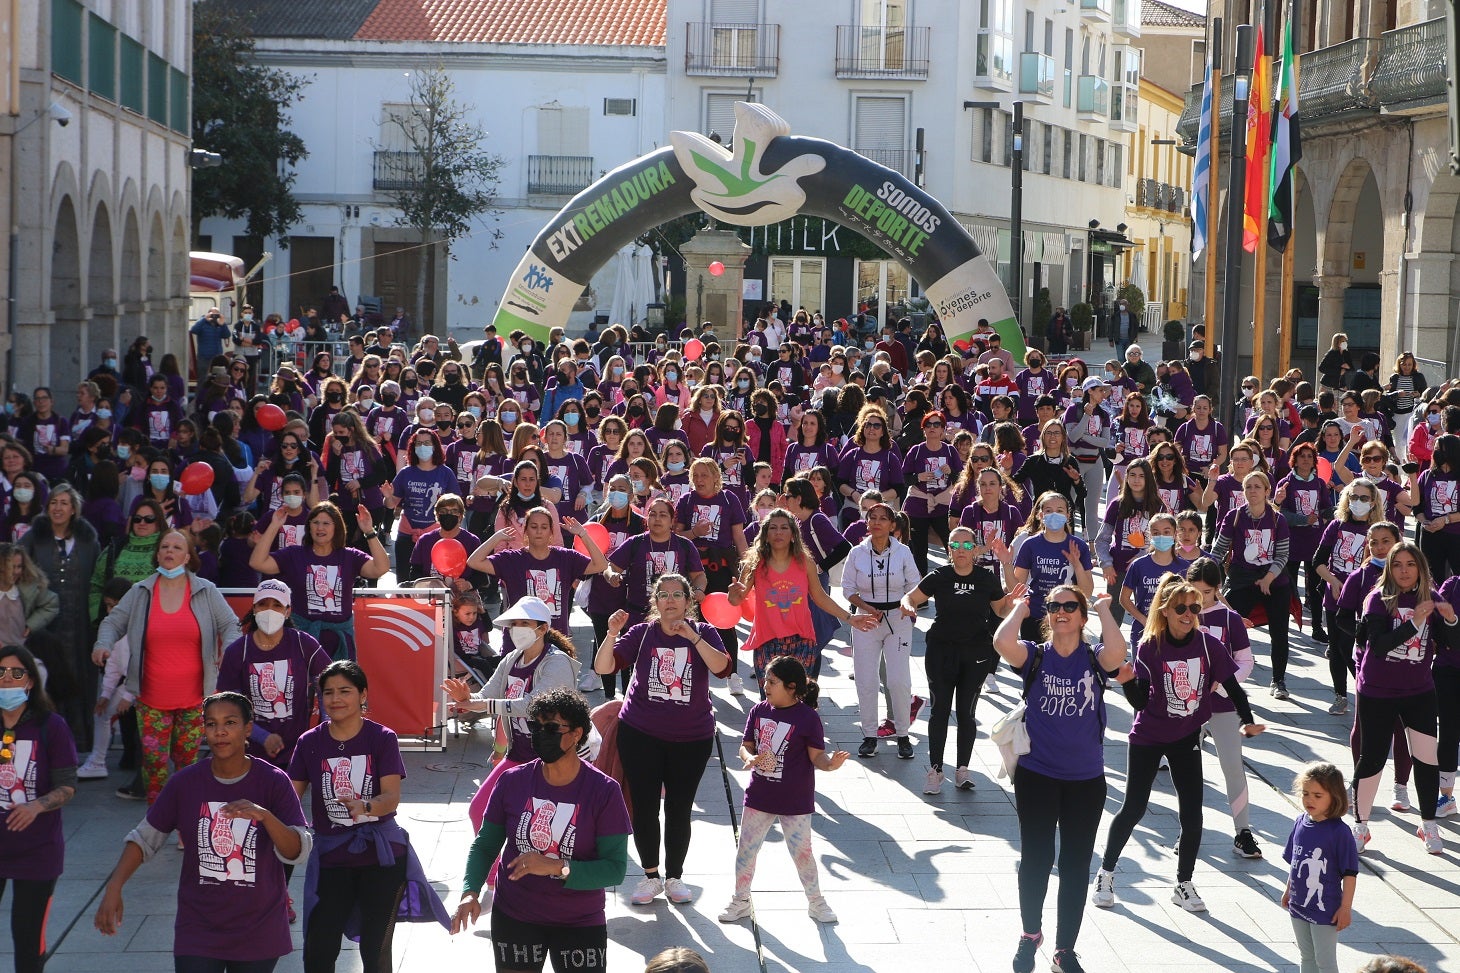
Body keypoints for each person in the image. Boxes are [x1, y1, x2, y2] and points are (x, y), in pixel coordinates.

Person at [94, 691, 310, 973]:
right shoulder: (184, 783)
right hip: (198, 927)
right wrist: (114, 887)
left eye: (229, 722)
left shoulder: (274, 781)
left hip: (259, 927)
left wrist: (266, 817)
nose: (219, 731)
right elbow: (144, 838)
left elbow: (297, 849)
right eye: (211, 724)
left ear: (247, 728)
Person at [1092, 576, 1263, 913]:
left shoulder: (1207, 644)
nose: (1189, 613)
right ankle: (1106, 873)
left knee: (1192, 814)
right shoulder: (1149, 646)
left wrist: (1246, 719)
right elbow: (1141, 701)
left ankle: (1184, 883)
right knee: (1134, 808)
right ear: (1166, 611)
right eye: (1181, 608)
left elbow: (1233, 685)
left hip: (1186, 736)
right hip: (1148, 737)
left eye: (1194, 607)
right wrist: (1126, 683)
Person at [993, 588, 1126, 973]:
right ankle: (1030, 934)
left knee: (1074, 864)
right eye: (1055, 607)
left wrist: (1103, 607)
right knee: (1035, 859)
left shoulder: (1094, 657)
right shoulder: (1035, 655)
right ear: (1047, 615)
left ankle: (1064, 949)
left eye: (1071, 606)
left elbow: (1117, 652)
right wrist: (1019, 607)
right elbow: (1002, 641)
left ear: (1082, 617)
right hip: (1038, 775)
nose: (1062, 612)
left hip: (1086, 780)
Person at [451, 688, 630, 970]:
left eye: (551, 727)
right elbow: (485, 845)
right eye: (536, 726)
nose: (540, 734)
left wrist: (556, 867)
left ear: (575, 734)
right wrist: (470, 891)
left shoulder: (604, 791)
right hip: (515, 915)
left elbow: (614, 869)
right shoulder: (512, 781)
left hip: (579, 921)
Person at [289, 661, 449, 973]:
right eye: (329, 692)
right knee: (319, 949)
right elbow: (290, 797)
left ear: (363, 694)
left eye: (345, 691)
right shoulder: (309, 742)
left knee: (376, 950)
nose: (336, 699)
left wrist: (365, 807)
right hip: (331, 856)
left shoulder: (382, 737)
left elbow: (391, 797)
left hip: (381, 858)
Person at [596, 573, 732, 905]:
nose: (670, 600)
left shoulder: (704, 632)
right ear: (655, 602)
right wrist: (612, 633)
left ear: (689, 601)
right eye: (663, 594)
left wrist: (693, 638)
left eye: (677, 594)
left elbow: (723, 669)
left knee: (679, 808)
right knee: (643, 807)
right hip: (640, 733)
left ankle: (675, 877)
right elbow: (604, 667)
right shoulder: (642, 634)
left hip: (692, 738)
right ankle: (650, 876)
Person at [92, 530, 242, 803]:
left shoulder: (206, 591)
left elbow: (231, 625)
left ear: (187, 557)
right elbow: (112, 623)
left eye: (176, 547)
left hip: (195, 701)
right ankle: (156, 826)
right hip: (151, 702)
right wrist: (102, 644)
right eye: (164, 546)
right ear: (158, 554)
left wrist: (229, 650)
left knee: (187, 768)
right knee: (154, 772)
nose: (169, 551)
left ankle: (186, 825)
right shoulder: (140, 592)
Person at [718, 656, 846, 925]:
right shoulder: (758, 710)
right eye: (766, 679)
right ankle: (740, 900)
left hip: (795, 801)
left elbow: (817, 758)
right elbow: (746, 746)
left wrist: (831, 765)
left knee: (802, 854)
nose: (765, 685)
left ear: (791, 687)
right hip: (759, 796)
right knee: (746, 851)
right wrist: (748, 758)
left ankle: (816, 902)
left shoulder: (808, 718)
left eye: (772, 681)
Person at [443, 597, 585, 835]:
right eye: (514, 623)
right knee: (479, 810)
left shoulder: (556, 662)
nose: (517, 629)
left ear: (543, 628)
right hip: (518, 755)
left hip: (552, 759)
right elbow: (488, 694)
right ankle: (496, 869)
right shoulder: (512, 659)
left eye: (524, 623)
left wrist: (481, 705)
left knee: (540, 829)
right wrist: (464, 699)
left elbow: (533, 705)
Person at [901, 525, 1019, 793]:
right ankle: (935, 770)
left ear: (975, 550)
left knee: (966, 712)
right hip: (941, 651)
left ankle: (962, 769)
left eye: (967, 546)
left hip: (976, 652)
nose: (961, 550)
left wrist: (1008, 572)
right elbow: (912, 596)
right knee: (940, 709)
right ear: (949, 550)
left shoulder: (985, 578)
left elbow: (1003, 606)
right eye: (955, 545)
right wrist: (907, 605)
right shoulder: (939, 576)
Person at [1352, 541, 1450, 854]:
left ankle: (1429, 824)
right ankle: (1360, 826)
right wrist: (1414, 622)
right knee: (1373, 757)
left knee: (1426, 757)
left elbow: (1451, 643)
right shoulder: (1377, 599)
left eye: (1410, 564)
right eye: (1398, 565)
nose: (1404, 571)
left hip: (1419, 691)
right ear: (1390, 569)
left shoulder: (1431, 598)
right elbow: (1379, 645)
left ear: (1421, 568)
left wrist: (1450, 619)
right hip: (1377, 691)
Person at [729, 509, 877, 687]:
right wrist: (732, 595)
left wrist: (850, 617)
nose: (778, 532)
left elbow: (820, 597)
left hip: (801, 641)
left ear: (793, 534)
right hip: (767, 640)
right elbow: (737, 600)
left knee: (795, 699)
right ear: (765, 534)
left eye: (784, 527)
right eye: (773, 528)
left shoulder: (805, 562)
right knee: (770, 698)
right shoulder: (755, 563)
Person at [0, 644, 77, 973]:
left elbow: (67, 786)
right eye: (1, 673)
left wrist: (36, 807)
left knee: (29, 940)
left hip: (37, 851)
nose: (7, 680)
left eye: (17, 673)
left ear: (30, 681)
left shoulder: (51, 726)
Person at [1188, 557, 1265, 860]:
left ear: (1217, 589)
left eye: (1206, 592)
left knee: (1233, 767)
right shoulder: (1179, 613)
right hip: (1187, 709)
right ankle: (1189, 829)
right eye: (1194, 591)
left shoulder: (1230, 619)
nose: (1200, 599)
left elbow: (1246, 661)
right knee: (1188, 772)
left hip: (1222, 706)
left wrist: (1220, 684)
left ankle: (1243, 831)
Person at [249, 501, 391, 660]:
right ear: (309, 527)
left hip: (339, 642)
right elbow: (257, 562)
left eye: (325, 523)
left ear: (336, 527)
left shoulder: (349, 556)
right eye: (315, 522)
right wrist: (275, 525)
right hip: (303, 639)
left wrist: (369, 532)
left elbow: (381, 568)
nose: (320, 528)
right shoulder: (294, 554)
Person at [19, 485, 102, 749]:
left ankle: (80, 741)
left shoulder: (88, 539)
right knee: (47, 680)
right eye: (54, 502)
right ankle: (47, 743)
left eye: (64, 503)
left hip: (80, 626)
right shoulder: (33, 538)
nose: (58, 508)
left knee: (80, 680)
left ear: (74, 509)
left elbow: (97, 580)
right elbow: (16, 572)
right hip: (43, 625)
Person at [842, 503, 922, 760]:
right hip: (865, 620)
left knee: (898, 680)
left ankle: (902, 734)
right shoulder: (857, 553)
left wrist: (908, 605)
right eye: (872, 518)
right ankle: (869, 735)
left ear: (892, 525)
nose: (876, 522)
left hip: (897, 619)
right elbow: (847, 589)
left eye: (882, 519)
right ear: (867, 523)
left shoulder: (903, 552)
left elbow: (914, 584)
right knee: (866, 680)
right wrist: (865, 608)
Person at [1210, 471, 1295, 698]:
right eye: (1248, 487)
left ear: (1268, 491)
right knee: (1229, 625)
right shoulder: (1234, 516)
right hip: (1242, 578)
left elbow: (1283, 554)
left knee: (1279, 632)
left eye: (1258, 487)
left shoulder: (1278, 519)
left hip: (1274, 580)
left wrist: (1269, 577)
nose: (1253, 491)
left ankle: (1278, 681)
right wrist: (1205, 569)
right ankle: (1225, 676)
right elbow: (1220, 548)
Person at [1283, 761, 1359, 973]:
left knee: (1324, 962)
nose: (1309, 800)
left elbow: (1350, 875)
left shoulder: (1340, 833)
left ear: (1334, 797)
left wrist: (1345, 908)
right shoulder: (1299, 822)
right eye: (1306, 793)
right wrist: (1288, 889)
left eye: (1318, 795)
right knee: (1306, 957)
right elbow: (1295, 862)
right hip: (1298, 905)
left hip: (1326, 909)